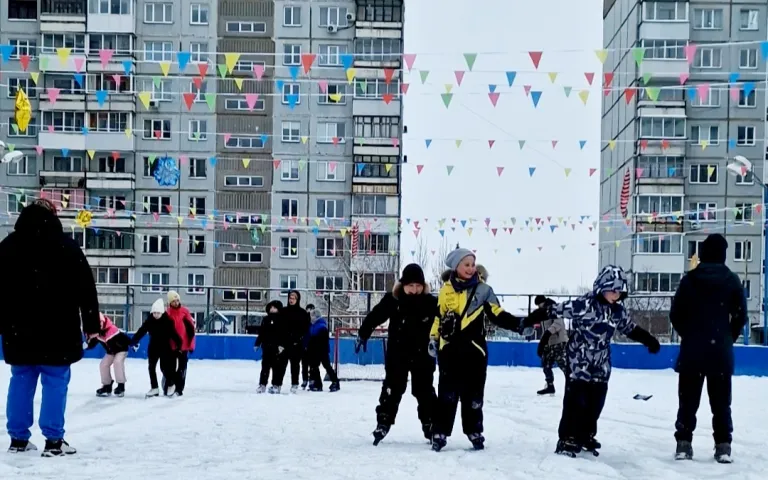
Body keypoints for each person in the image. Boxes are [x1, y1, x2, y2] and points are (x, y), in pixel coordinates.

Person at [0, 199, 100, 457]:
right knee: (55, 383)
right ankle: (54, 441)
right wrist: (91, 325)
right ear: (54, 217)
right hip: (58, 331)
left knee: (20, 380)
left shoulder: (8, 247)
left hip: (18, 330)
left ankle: (18, 439)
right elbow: (86, 288)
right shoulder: (67, 247)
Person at [528, 265, 660, 458]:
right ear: (602, 287)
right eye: (612, 289)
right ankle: (567, 437)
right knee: (576, 401)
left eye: (619, 291)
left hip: (601, 364)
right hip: (579, 362)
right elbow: (553, 310)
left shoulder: (618, 311)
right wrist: (527, 321)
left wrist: (649, 339)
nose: (616, 294)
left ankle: (586, 434)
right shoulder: (584, 305)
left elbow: (630, 328)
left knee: (595, 402)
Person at [430, 248, 527, 452]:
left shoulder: (484, 290)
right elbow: (438, 317)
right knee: (446, 394)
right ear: (456, 267)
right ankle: (439, 432)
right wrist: (433, 339)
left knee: (473, 395)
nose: (471, 268)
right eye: (466, 264)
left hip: (474, 352)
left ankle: (474, 430)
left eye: (473, 264)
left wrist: (518, 324)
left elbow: (497, 314)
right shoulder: (445, 290)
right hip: (449, 351)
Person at [669, 234, 747, 464]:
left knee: (688, 402)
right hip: (720, 353)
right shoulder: (732, 280)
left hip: (693, 352)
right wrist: (726, 336)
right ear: (723, 254)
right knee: (721, 403)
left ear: (702, 253)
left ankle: (684, 444)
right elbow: (741, 315)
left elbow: (675, 315)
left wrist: (690, 335)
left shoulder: (689, 280)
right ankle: (723, 446)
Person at [356, 263, 438, 446]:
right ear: (403, 285)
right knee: (392, 389)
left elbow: (444, 323)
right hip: (398, 353)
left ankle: (430, 424)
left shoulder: (431, 303)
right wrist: (363, 333)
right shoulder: (394, 300)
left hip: (423, 355)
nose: (414, 290)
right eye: (410, 286)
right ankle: (383, 422)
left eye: (418, 286)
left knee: (424, 390)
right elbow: (375, 316)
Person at [130, 298, 182, 398]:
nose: (156, 315)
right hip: (153, 347)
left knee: (165, 368)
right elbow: (142, 331)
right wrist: (134, 341)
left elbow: (174, 334)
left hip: (165, 348)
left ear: (162, 312)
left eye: (158, 313)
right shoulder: (150, 320)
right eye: (154, 313)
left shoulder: (168, 321)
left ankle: (171, 384)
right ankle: (154, 388)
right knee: (151, 367)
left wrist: (179, 346)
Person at [87, 313, 131, 398]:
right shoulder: (96, 333)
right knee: (103, 364)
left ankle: (121, 386)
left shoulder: (112, 329)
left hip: (121, 350)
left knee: (117, 362)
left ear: (103, 321)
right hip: (111, 352)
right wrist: (87, 342)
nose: (99, 325)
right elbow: (91, 344)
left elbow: (124, 337)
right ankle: (107, 385)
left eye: (100, 322)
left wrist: (133, 344)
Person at [533, 295, 567, 396]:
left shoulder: (554, 308)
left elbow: (558, 324)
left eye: (539, 304)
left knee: (564, 365)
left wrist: (547, 333)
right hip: (549, 343)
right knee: (545, 363)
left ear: (543, 302)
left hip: (559, 342)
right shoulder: (543, 312)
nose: (539, 307)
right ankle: (550, 386)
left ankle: (574, 386)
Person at [166, 291, 196, 396]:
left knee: (182, 368)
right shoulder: (167, 313)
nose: (176, 302)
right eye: (173, 301)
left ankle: (179, 389)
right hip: (171, 346)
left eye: (177, 300)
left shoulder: (184, 312)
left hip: (184, 346)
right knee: (170, 367)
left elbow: (191, 330)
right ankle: (170, 384)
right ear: (170, 302)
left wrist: (191, 345)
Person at [254, 300, 288, 394]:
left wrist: (282, 345)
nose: (272, 309)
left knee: (277, 368)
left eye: (274, 308)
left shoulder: (282, 320)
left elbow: (284, 334)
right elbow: (262, 333)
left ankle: (276, 385)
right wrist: (257, 343)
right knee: (265, 367)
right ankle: (262, 384)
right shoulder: (265, 319)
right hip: (266, 347)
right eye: (271, 307)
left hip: (277, 348)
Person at [282, 290, 311, 393]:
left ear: (297, 299)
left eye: (294, 298)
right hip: (284, 343)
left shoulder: (302, 313)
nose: (291, 300)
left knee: (295, 365)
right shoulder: (283, 311)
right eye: (290, 298)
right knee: (281, 365)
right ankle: (277, 384)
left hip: (297, 344)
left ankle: (295, 384)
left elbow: (306, 329)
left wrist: (300, 340)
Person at [306, 308, 340, 392]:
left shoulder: (321, 327)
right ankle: (318, 384)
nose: (311, 318)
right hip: (314, 350)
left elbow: (321, 340)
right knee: (314, 367)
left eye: (312, 316)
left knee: (326, 366)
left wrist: (313, 344)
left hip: (321, 350)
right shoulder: (313, 326)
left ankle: (335, 382)